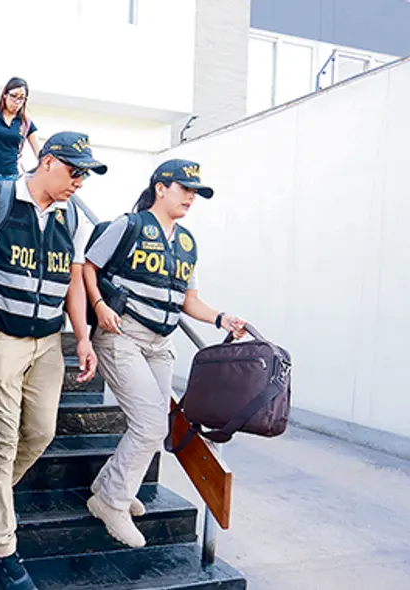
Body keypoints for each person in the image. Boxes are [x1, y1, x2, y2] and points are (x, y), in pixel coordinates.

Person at [82, 159, 247, 549]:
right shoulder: (129, 225)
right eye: (184, 188)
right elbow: (87, 267)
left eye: (196, 192)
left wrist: (221, 318)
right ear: (160, 187)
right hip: (122, 334)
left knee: (155, 423)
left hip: (161, 342)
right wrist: (99, 304)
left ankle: (109, 483)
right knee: (151, 424)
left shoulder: (187, 242)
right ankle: (110, 501)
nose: (191, 197)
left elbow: (189, 300)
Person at [0, 132, 102, 590]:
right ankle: (1, 546)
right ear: (46, 162)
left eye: (85, 174)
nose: (79, 182)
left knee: (40, 431)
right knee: (1, 439)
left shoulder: (75, 217)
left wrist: (81, 337)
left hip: (48, 342)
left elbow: (74, 281)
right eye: (74, 171)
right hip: (0, 335)